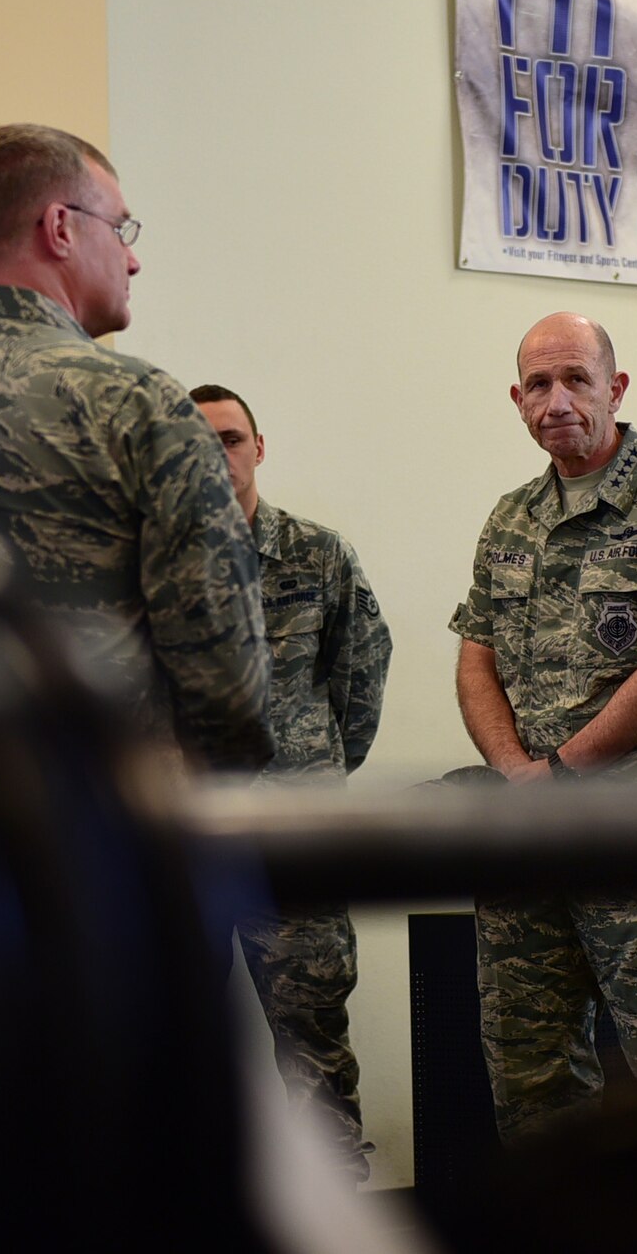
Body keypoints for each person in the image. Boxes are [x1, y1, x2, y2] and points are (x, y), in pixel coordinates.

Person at [0, 123, 271, 770]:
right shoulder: (142, 408)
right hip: (97, 837)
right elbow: (229, 696)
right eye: (121, 228)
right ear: (60, 228)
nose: (132, 258)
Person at [449, 311, 637, 1142]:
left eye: (577, 377)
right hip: (527, 834)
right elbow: (477, 659)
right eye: (538, 384)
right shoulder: (509, 519)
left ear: (615, 387)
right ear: (517, 399)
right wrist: (514, 772)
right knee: (528, 1069)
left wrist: (562, 774)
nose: (558, 399)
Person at [190, 382, 390, 1181]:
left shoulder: (318, 555)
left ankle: (334, 1201)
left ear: (259, 447)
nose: (218, 455)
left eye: (231, 439)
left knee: (315, 1044)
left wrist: (314, 769)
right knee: (173, 1043)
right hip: (186, 842)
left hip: (295, 844)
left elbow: (359, 678)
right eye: (198, 441)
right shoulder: (148, 558)